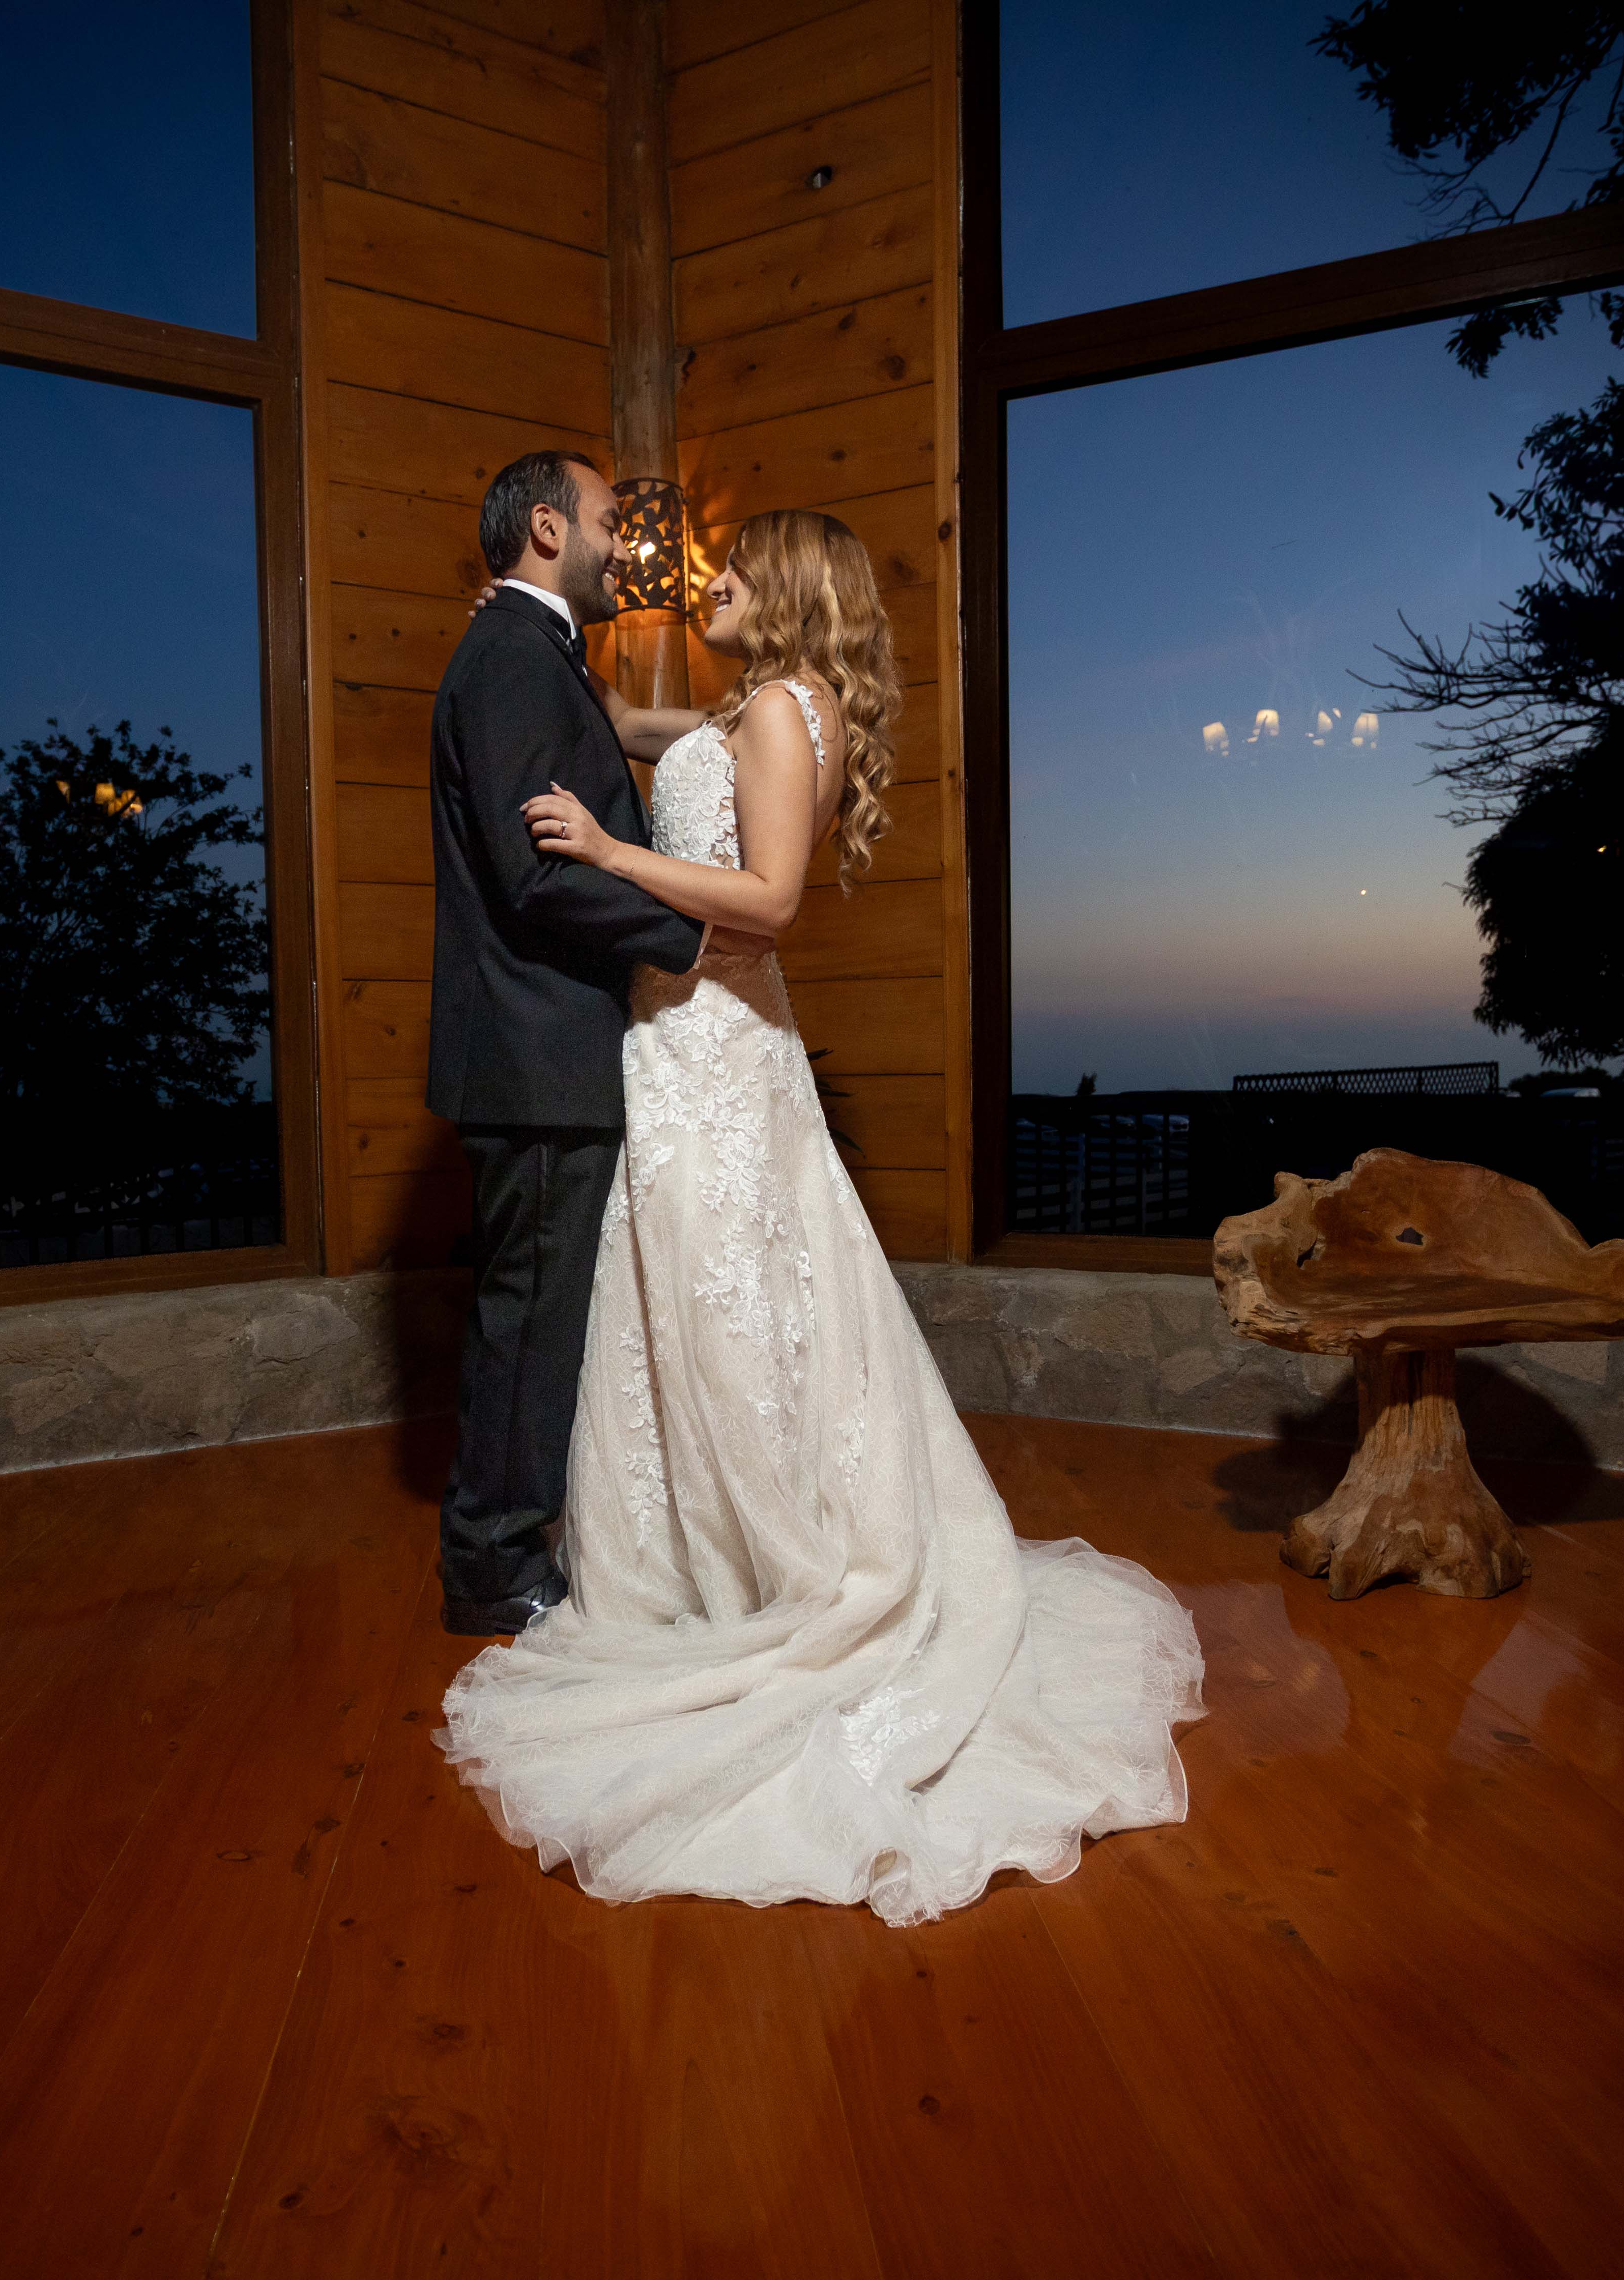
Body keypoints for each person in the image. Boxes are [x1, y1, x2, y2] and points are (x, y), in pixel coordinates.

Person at [439, 508, 1208, 1926]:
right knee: (685, 1310)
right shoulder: (751, 706)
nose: (708, 582)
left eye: (734, 573)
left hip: (724, 1051)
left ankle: (785, 1568)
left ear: (790, 595)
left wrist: (608, 855)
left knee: (746, 1316)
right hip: (668, 1054)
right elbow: (618, 709)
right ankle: (691, 1559)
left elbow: (774, 900)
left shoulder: (787, 717)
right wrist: (536, 647)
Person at [425, 451, 767, 1638]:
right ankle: (493, 1565)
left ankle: (518, 1541)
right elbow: (533, 871)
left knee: (545, 1310)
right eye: (614, 526)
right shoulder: (514, 657)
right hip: (534, 1050)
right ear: (546, 527)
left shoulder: (536, 650)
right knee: (529, 1315)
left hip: (550, 1046)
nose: (629, 547)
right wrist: (686, 930)